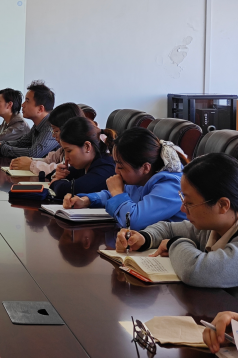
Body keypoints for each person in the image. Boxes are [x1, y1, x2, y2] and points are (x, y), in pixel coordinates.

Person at [115, 153, 238, 296]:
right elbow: (168, 228)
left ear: (222, 205)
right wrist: (144, 238)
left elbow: (196, 271)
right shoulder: (212, 227)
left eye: (189, 203)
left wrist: (173, 243)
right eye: (182, 199)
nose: (182, 208)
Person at [63, 127, 187, 229]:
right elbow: (113, 195)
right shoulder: (140, 179)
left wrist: (117, 193)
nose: (116, 171)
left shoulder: (172, 186)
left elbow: (133, 221)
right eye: (116, 164)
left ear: (145, 168)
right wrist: (86, 200)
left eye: (121, 167)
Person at [0, 80, 58, 158]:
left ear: (40, 109)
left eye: (27, 101)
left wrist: (0, 147)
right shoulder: (37, 125)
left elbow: (33, 153)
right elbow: (21, 143)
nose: (22, 105)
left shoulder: (50, 127)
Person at [9, 102, 84, 175]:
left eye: (56, 131)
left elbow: (61, 169)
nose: (53, 135)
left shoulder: (78, 150)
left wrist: (31, 165)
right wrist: (27, 161)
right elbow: (48, 160)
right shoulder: (62, 150)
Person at [49, 117, 116, 197]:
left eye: (69, 151)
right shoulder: (86, 164)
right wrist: (58, 174)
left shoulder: (105, 168)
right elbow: (52, 175)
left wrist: (55, 182)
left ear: (87, 146)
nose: (66, 158)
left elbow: (68, 190)